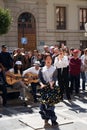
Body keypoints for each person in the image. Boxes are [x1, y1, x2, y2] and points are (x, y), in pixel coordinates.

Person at [39, 53, 60, 128]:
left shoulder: (54, 69)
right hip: (44, 89)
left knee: (50, 106)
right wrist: (41, 84)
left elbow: (54, 78)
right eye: (47, 59)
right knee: (42, 107)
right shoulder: (41, 69)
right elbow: (40, 79)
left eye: (50, 59)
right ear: (44, 60)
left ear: (52, 60)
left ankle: (53, 121)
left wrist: (52, 83)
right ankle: (46, 119)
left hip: (51, 89)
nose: (48, 60)